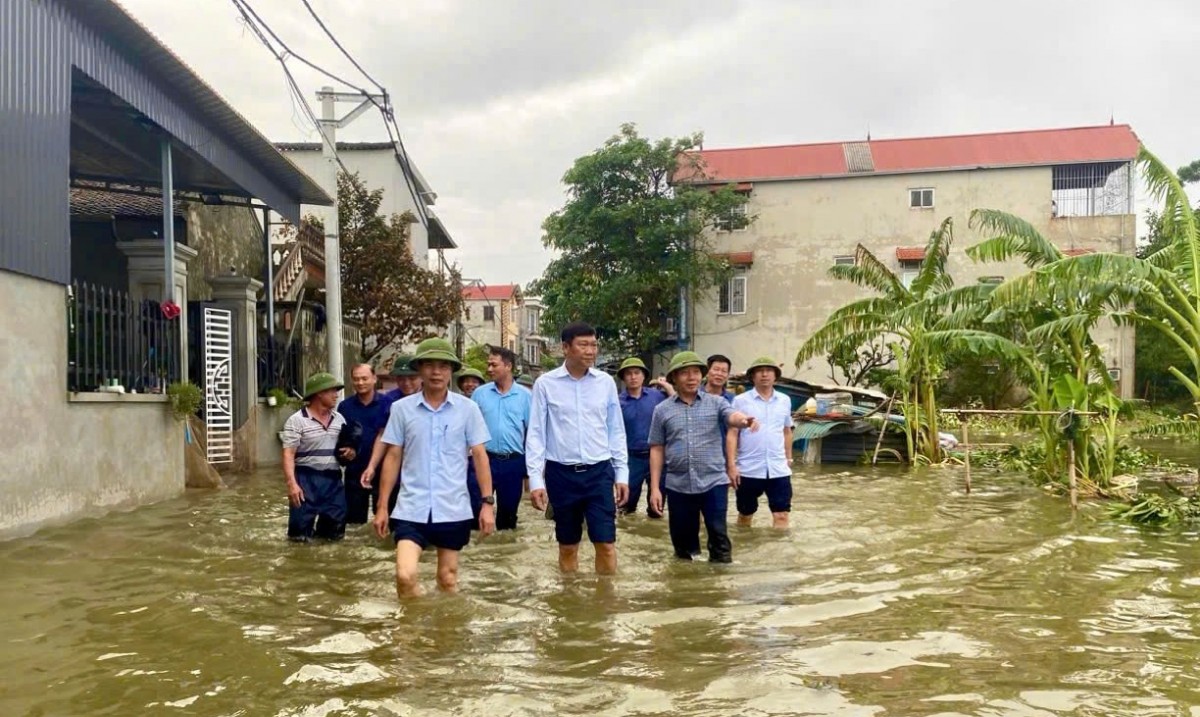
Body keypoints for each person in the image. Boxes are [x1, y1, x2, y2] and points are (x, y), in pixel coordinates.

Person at [373, 337, 496, 598]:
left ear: (451, 370)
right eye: (429, 365)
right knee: (404, 575)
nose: (436, 372)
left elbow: (480, 456)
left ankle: (445, 633)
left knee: (447, 579)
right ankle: (411, 631)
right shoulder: (401, 409)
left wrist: (487, 504)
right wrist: (383, 506)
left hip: (453, 507)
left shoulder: (468, 409)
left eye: (443, 365)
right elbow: (393, 456)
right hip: (410, 506)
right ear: (420, 369)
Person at [526, 322, 629, 574]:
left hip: (599, 473)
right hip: (561, 474)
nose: (590, 351)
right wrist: (536, 480)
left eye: (594, 345)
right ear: (565, 348)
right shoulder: (546, 384)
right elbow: (536, 434)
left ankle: (605, 604)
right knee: (568, 546)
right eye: (583, 345)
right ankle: (569, 603)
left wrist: (622, 474)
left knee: (606, 543)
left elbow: (615, 430)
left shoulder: (605, 383)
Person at [648, 352, 757, 562]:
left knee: (719, 540)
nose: (692, 378)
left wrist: (743, 420)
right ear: (673, 378)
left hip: (713, 482)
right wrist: (654, 489)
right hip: (678, 485)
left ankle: (719, 588)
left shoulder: (716, 403)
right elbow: (657, 448)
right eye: (685, 373)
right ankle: (688, 589)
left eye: (696, 372)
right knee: (683, 549)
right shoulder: (662, 410)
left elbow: (731, 415)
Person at [281, 372, 355, 541]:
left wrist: (351, 452)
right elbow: (288, 453)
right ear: (319, 393)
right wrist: (292, 484)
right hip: (305, 478)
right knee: (299, 534)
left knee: (335, 533)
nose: (336, 395)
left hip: (333, 480)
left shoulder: (339, 419)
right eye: (332, 391)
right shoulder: (297, 420)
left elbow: (346, 449)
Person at [728, 356, 795, 529]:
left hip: (778, 469)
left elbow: (787, 430)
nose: (764, 375)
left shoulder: (785, 400)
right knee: (745, 515)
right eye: (759, 371)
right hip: (749, 469)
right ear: (752, 376)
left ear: (775, 376)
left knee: (781, 516)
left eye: (769, 371)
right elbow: (733, 433)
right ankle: (746, 548)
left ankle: (779, 554)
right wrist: (732, 465)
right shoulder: (741, 401)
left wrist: (789, 458)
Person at [472, 346, 532, 531]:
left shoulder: (526, 396)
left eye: (493, 365)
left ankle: (504, 555)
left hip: (512, 463)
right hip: (483, 460)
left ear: (508, 366)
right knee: (475, 513)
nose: (489, 369)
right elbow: (468, 429)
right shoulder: (479, 394)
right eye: (488, 364)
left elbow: (532, 434)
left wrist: (530, 472)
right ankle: (477, 558)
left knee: (507, 517)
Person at [361, 355, 422, 516]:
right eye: (401, 379)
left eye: (412, 378)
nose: (406, 383)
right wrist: (372, 466)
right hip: (394, 467)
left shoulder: (432, 399)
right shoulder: (389, 401)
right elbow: (382, 435)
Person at [616, 357, 672, 517]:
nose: (633, 377)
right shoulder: (618, 402)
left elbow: (678, 402)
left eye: (636, 373)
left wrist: (666, 385)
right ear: (623, 378)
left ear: (643, 376)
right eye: (628, 374)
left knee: (657, 506)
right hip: (631, 458)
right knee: (625, 506)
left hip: (658, 456)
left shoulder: (657, 396)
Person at [337, 364, 391, 525]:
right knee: (353, 523)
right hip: (354, 471)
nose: (360, 383)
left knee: (384, 518)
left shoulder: (387, 404)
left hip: (383, 471)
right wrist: (346, 450)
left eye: (364, 378)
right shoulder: (345, 407)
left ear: (374, 379)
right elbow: (341, 437)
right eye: (356, 379)